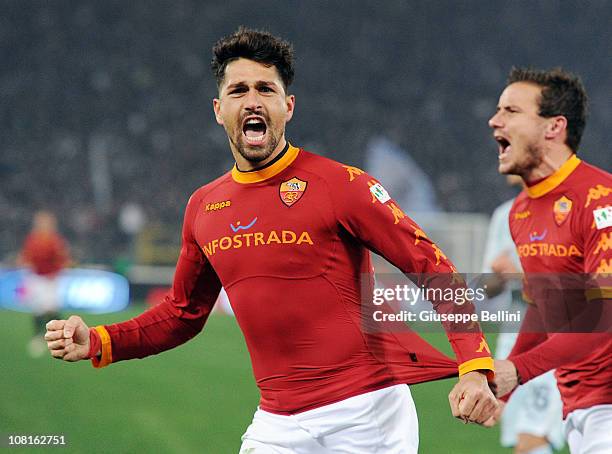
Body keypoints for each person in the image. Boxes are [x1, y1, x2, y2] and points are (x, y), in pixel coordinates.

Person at [45, 27, 497, 453]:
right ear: (219, 109)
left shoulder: (342, 185)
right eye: (238, 90)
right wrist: (102, 340)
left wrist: (475, 366)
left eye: (266, 89)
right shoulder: (203, 206)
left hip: (367, 415)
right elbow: (184, 313)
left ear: (289, 106)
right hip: (277, 424)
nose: (253, 100)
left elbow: (430, 265)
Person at [488, 67, 612, 453]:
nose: (495, 120)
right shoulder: (520, 212)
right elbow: (543, 309)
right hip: (579, 404)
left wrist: (520, 369)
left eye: (511, 110)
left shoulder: (601, 198)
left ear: (554, 127)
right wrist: (504, 389)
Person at [481, 176, 564, 454]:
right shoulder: (504, 214)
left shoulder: (566, 211)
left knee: (533, 437)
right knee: (523, 437)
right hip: (513, 338)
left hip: (555, 336)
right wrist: (497, 276)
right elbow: (488, 288)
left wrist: (521, 274)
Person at [18, 210, 71, 357]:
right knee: (38, 309)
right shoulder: (33, 240)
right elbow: (27, 257)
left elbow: (62, 258)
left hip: (50, 279)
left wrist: (57, 273)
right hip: (36, 278)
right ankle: (38, 337)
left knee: (52, 308)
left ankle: (61, 337)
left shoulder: (55, 240)